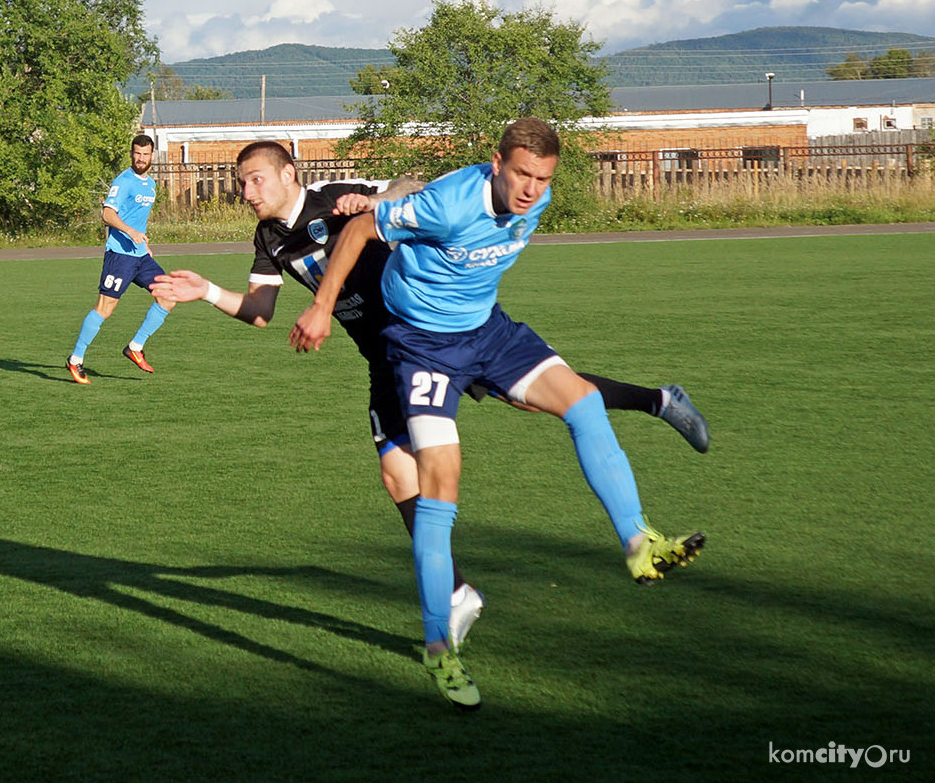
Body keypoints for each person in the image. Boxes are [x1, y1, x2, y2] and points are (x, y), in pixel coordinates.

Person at [151, 141, 710, 666]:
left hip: (430, 330)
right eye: (241, 183)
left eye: (255, 180)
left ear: (288, 174)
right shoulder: (269, 240)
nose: (246, 192)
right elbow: (259, 311)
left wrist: (374, 200)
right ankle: (460, 589)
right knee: (406, 477)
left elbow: (411, 186)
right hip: (387, 357)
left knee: (531, 405)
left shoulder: (334, 193)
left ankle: (657, 403)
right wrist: (204, 292)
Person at [295, 119, 704, 710]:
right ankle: (439, 647)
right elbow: (359, 228)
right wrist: (321, 307)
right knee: (441, 484)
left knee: (583, 400)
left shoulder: (540, 196)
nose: (531, 190)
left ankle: (639, 541)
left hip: (490, 332)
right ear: (496, 163)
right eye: (521, 174)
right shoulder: (447, 204)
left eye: (542, 178)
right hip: (422, 345)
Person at [67, 134, 174, 384]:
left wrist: (144, 243)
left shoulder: (150, 185)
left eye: (146, 154)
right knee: (106, 308)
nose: (141, 158)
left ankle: (135, 347)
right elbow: (107, 214)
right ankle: (75, 360)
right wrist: (130, 232)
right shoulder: (123, 181)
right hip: (120, 255)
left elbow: (138, 217)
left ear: (152, 156)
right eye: (137, 153)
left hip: (140, 255)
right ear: (131, 153)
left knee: (168, 295)